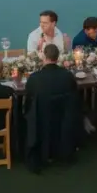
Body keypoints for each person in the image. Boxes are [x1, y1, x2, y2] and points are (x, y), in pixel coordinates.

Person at [23, 44, 80, 173]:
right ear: (58, 57)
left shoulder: (34, 78)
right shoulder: (68, 76)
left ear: (44, 56)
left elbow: (28, 100)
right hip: (64, 119)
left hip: (42, 119)